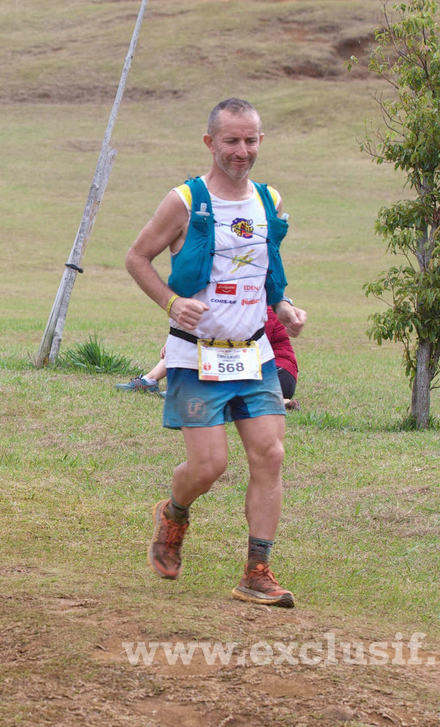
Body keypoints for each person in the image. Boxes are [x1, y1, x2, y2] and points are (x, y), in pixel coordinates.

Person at [125, 98, 307, 607]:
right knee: (208, 466)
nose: (241, 151)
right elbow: (136, 257)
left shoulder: (268, 199)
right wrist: (170, 300)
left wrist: (283, 305)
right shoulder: (184, 200)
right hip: (195, 355)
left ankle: (257, 570)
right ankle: (175, 512)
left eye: (250, 140)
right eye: (231, 140)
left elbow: (263, 265)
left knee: (270, 454)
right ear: (210, 143)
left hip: (254, 353)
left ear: (261, 142)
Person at [118, 306, 300, 409]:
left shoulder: (262, 309)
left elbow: (249, 351)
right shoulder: (233, 309)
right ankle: (150, 381)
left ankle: (279, 400)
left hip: (278, 374)